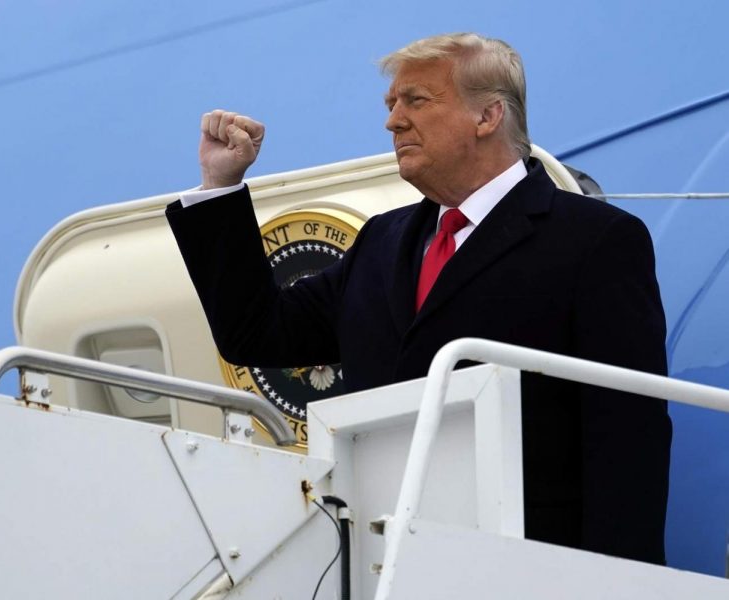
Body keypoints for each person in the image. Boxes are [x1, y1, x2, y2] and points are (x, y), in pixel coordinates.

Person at [166, 32, 671, 565]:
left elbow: (626, 434)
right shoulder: (381, 242)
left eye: (417, 101)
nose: (393, 121)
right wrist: (220, 186)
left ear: (488, 116)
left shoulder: (595, 240)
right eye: (391, 104)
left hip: (529, 564)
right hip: (380, 560)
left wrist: (619, 580)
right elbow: (256, 332)